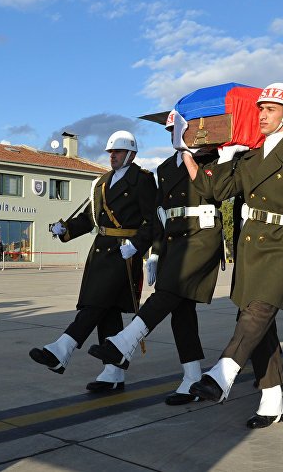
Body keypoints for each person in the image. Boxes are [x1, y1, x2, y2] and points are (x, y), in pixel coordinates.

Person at [186, 83, 283, 428]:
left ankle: (223, 374)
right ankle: (272, 400)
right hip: (252, 247)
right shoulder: (250, 156)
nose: (263, 115)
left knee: (258, 312)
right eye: (261, 109)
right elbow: (217, 191)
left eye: (271, 110)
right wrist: (223, 157)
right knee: (260, 326)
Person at [88, 110, 225, 406]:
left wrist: (193, 156)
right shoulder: (164, 168)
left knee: (167, 292)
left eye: (179, 130)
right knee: (182, 311)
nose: (175, 135)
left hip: (202, 236)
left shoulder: (213, 158)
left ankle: (124, 342)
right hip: (175, 239)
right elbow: (159, 216)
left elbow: (214, 192)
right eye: (171, 131)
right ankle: (191, 378)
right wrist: (155, 252)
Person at [29, 129, 156, 394]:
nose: (113, 157)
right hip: (101, 251)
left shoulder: (142, 180)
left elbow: (153, 220)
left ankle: (61, 349)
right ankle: (113, 372)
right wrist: (66, 230)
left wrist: (138, 246)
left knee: (96, 305)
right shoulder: (101, 183)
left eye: (118, 152)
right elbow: (89, 218)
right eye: (111, 152)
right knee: (105, 312)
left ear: (131, 154)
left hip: (124, 253)